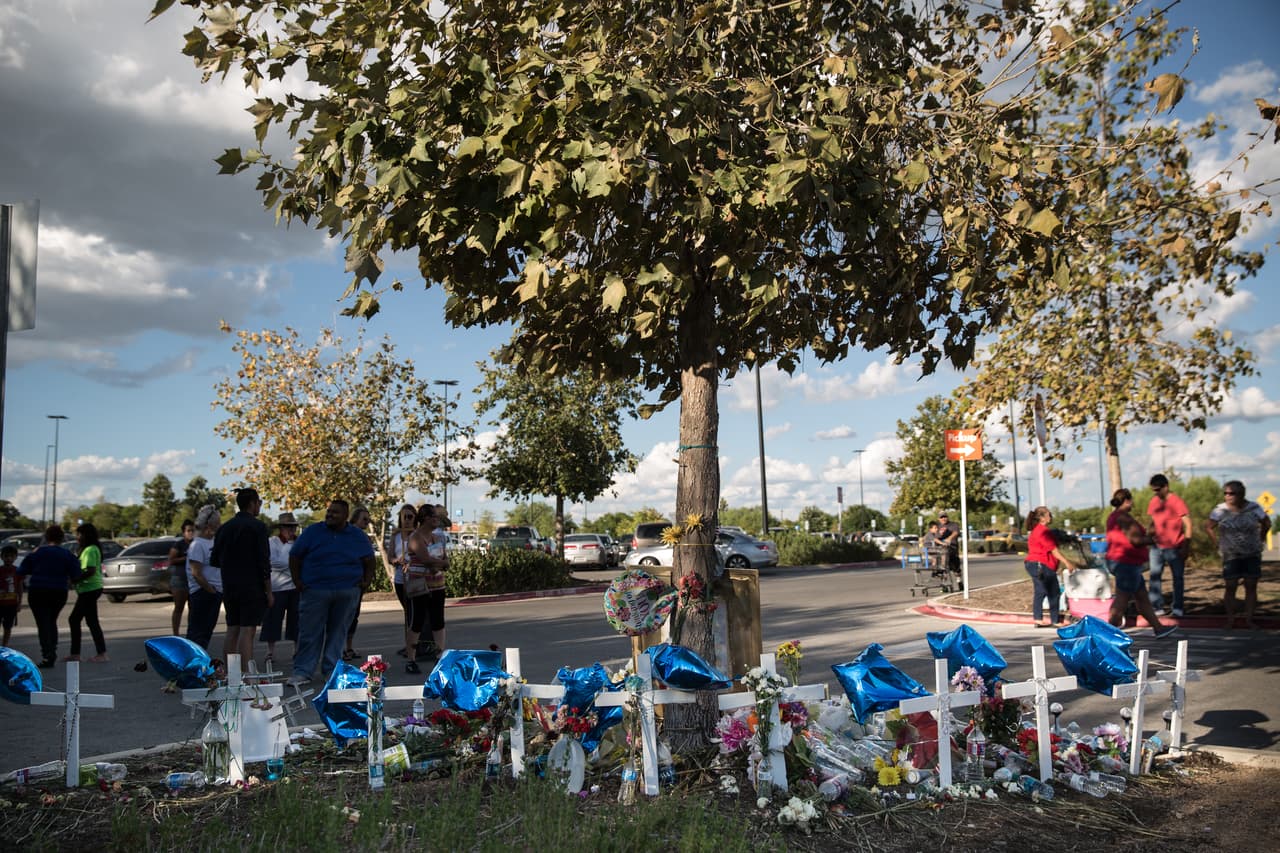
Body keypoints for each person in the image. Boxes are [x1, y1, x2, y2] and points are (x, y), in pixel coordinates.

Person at [287, 500, 375, 686]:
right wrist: (298, 582)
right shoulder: (312, 532)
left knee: (338, 632)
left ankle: (332, 671)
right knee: (310, 632)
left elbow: (369, 559)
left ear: (345, 515)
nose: (330, 515)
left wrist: (365, 583)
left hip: (347, 590)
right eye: (328, 512)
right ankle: (303, 671)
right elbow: (295, 556)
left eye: (335, 512)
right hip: (315, 591)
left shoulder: (356, 535)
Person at [211, 487, 272, 666]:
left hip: (229, 584)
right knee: (248, 630)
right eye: (259, 502)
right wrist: (269, 591)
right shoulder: (258, 527)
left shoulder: (225, 528)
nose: (259, 506)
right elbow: (264, 561)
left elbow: (214, 559)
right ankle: (247, 674)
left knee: (232, 629)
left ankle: (230, 674)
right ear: (252, 503)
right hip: (252, 585)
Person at [1105, 488, 1177, 638]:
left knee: (1142, 597)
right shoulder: (1123, 518)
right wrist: (1153, 540)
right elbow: (1136, 540)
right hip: (1126, 562)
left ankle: (1158, 628)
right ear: (1127, 501)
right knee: (1122, 599)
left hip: (1124, 562)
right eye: (1131, 500)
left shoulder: (1114, 516)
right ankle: (1106, 634)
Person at [1206, 480, 1271, 630]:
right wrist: (1216, 542)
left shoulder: (1254, 508)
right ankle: (1230, 619)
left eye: (1232, 493)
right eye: (1226, 493)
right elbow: (1209, 526)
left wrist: (1261, 538)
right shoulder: (1220, 510)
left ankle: (1249, 619)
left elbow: (1266, 523)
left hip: (1251, 551)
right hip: (1231, 553)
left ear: (1241, 494)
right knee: (1230, 585)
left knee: (1251, 585)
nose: (1228, 496)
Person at [15, 525, 80, 667]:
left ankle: (47, 653)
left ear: (46, 537)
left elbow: (21, 571)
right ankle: (52, 650)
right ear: (62, 538)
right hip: (59, 591)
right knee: (52, 620)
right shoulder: (67, 554)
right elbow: (76, 574)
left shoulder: (37, 553)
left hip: (38, 590)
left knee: (43, 623)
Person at [404, 504, 450, 674]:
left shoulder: (437, 539)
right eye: (434, 517)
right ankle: (411, 659)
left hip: (437, 585)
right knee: (417, 622)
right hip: (420, 586)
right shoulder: (415, 538)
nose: (437, 520)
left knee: (438, 622)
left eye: (437, 517)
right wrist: (439, 563)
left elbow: (446, 562)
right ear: (424, 518)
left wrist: (440, 563)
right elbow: (426, 560)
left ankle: (440, 657)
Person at [1024, 507, 1083, 627]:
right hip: (1041, 564)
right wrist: (1066, 562)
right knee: (1054, 592)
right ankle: (1055, 620)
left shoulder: (1036, 530)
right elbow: (1053, 550)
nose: (1051, 516)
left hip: (1033, 564)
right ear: (1042, 518)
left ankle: (1038, 619)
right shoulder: (1043, 531)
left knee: (1040, 591)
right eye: (1049, 514)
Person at [1146, 473, 1192, 617]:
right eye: (1154, 490)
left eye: (1158, 489)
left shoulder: (1177, 502)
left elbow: (1188, 524)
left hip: (1175, 547)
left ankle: (1177, 608)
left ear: (1166, 487)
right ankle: (1157, 607)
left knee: (1177, 578)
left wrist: (1186, 546)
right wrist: (1149, 535)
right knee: (1154, 577)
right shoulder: (1154, 502)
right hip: (1156, 547)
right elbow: (1153, 521)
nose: (1156, 493)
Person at [260, 512, 300, 668]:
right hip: (277, 587)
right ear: (281, 528)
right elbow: (274, 562)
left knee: (296, 619)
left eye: (293, 527)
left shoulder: (298, 542)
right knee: (272, 619)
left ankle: (296, 649)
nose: (291, 531)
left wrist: (291, 565)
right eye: (288, 527)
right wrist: (291, 565)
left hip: (295, 586)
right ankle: (270, 650)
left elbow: (301, 562)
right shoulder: (272, 542)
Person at [66, 522, 109, 662]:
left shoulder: (90, 549)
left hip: (90, 588)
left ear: (86, 535)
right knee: (91, 621)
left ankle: (79, 653)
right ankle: (99, 653)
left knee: (74, 619)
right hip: (88, 589)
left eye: (79, 534)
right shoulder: (87, 549)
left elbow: (90, 570)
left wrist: (74, 580)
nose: (77, 537)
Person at [185, 505, 225, 650]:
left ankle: (198, 664)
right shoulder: (197, 545)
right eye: (217, 523)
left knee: (206, 633)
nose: (219, 526)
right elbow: (196, 573)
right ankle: (191, 666)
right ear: (208, 525)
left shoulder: (213, 541)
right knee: (197, 633)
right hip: (202, 592)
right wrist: (211, 590)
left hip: (215, 591)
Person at [343, 505, 373, 662]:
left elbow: (369, 560)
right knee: (343, 616)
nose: (367, 523)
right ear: (355, 519)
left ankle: (348, 647)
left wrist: (366, 580)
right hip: (346, 581)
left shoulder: (364, 537)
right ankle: (341, 648)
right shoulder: (347, 535)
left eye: (368, 520)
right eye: (364, 519)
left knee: (354, 616)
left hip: (358, 582)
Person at [390, 503, 417, 657]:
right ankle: (408, 644)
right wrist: (396, 560)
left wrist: (412, 562)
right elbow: (389, 556)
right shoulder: (396, 536)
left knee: (415, 612)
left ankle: (415, 645)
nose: (407, 520)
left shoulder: (418, 534)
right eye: (404, 517)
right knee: (407, 612)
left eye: (410, 516)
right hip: (401, 577)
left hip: (415, 577)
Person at [168, 519, 196, 636]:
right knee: (179, 607)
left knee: (193, 608)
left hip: (194, 580)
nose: (191, 533)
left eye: (193, 530)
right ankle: (176, 633)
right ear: (183, 532)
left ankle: (191, 632)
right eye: (188, 530)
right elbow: (171, 559)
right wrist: (185, 558)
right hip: (180, 580)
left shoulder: (197, 543)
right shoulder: (179, 544)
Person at [0, 544, 23, 647]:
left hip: (11, 603)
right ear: (2, 557)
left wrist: (19, 603)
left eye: (11, 556)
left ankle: (5, 645)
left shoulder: (17, 571)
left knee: (8, 626)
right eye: (6, 556)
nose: (8, 559)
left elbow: (20, 587)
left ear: (15, 557)